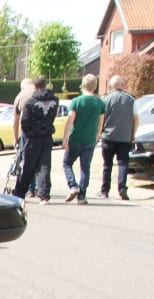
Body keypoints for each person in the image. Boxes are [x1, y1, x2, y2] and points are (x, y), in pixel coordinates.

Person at [12, 74, 60, 203]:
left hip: (33, 137)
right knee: (45, 165)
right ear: (46, 85)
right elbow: (53, 115)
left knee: (28, 165)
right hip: (47, 136)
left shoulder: (31, 103)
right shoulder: (54, 100)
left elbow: (24, 122)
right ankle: (44, 194)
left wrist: (28, 133)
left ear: (34, 86)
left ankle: (20, 192)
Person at [62, 74, 105, 204]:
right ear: (95, 86)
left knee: (67, 163)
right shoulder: (100, 103)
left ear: (83, 85)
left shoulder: (76, 101)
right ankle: (82, 196)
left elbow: (70, 120)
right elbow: (100, 122)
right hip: (90, 139)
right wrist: (97, 135)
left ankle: (73, 185)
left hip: (75, 137)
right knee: (85, 167)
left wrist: (65, 138)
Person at [100, 74, 138, 200]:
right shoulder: (131, 99)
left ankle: (105, 190)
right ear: (122, 84)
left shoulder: (106, 99)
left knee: (107, 165)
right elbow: (136, 119)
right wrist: (133, 134)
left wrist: (100, 132)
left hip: (108, 136)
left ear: (111, 85)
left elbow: (101, 118)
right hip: (125, 137)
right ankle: (122, 188)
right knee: (123, 163)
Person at [11, 76, 34, 148]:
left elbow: (15, 122)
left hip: (28, 132)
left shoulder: (19, 97)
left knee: (27, 157)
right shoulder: (40, 92)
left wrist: (15, 139)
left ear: (22, 87)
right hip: (44, 132)